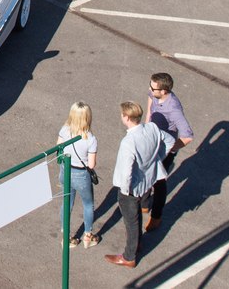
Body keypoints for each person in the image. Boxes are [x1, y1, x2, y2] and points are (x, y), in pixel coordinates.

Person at [105, 101, 175, 269]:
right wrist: (156, 158)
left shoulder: (129, 142)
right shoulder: (151, 128)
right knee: (137, 215)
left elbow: (127, 169)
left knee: (131, 221)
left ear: (127, 117)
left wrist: (125, 189)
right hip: (147, 179)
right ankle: (138, 243)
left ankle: (129, 256)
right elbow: (171, 141)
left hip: (131, 186)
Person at [144, 72, 194, 233]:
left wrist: (170, 149)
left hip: (164, 149)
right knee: (145, 170)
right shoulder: (155, 93)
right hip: (152, 141)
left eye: (153, 88)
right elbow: (150, 100)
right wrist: (147, 121)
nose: (150, 89)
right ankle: (144, 204)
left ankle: (156, 216)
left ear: (164, 91)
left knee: (159, 182)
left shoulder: (173, 109)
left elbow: (188, 136)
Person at [59, 102, 100, 249]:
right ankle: (88, 236)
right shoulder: (90, 138)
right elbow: (91, 164)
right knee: (88, 204)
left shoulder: (65, 130)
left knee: (67, 203)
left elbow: (59, 148)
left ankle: (65, 236)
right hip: (81, 175)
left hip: (66, 170)